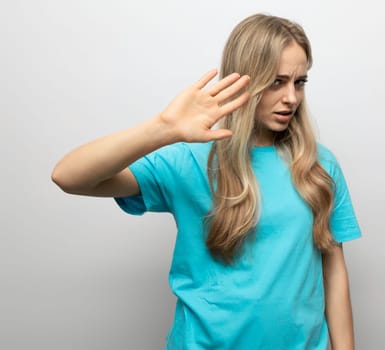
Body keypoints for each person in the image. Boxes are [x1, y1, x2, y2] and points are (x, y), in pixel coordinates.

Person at [52, 13, 361, 350]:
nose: (291, 97)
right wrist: (162, 128)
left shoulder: (318, 165)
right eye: (277, 81)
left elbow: (334, 271)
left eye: (299, 82)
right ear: (246, 80)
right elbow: (68, 176)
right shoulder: (191, 160)